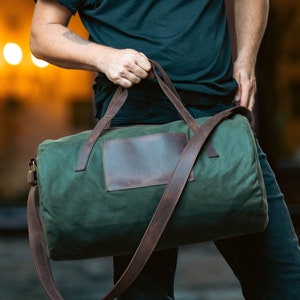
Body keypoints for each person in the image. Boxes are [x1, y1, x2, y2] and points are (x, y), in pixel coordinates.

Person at [30, 0, 300, 299]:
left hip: (218, 121)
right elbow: (43, 34)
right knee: (146, 291)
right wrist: (105, 58)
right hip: (132, 126)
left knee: (284, 279)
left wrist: (246, 60)